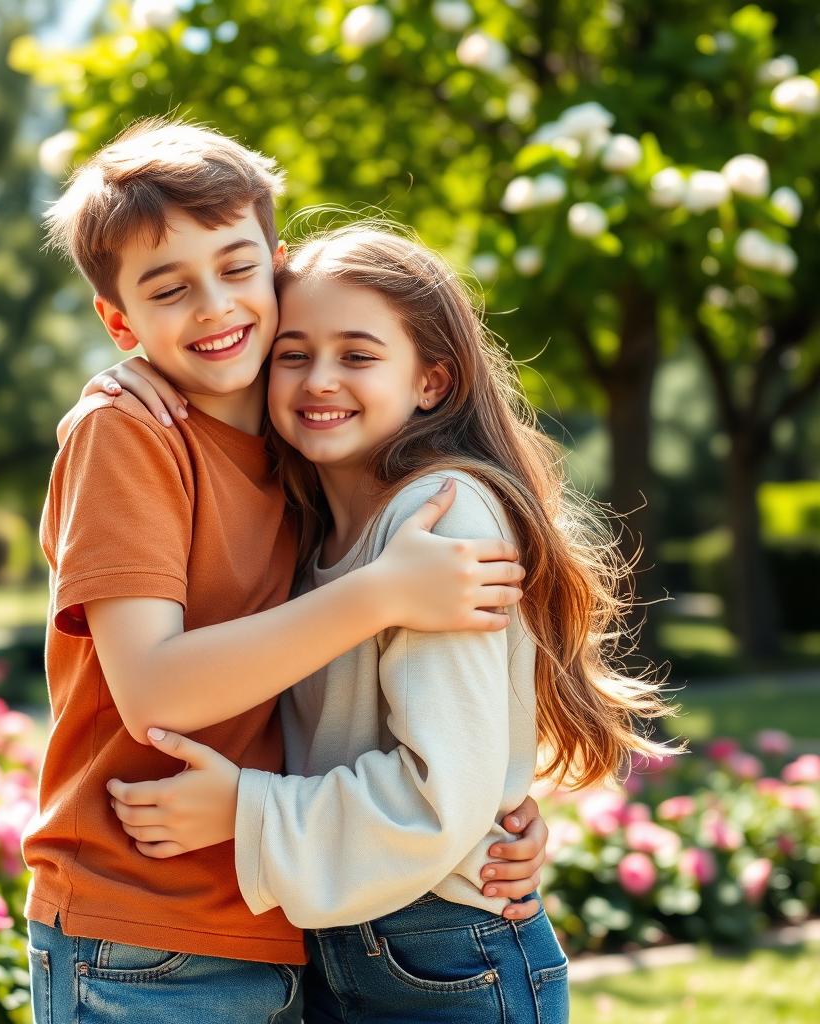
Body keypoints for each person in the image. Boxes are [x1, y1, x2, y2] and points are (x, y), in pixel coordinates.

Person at [25, 119, 548, 1024]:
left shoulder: (306, 457)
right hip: (142, 921)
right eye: (168, 289)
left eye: (236, 269)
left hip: (279, 921)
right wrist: (379, 592)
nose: (215, 307)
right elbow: (155, 690)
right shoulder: (131, 432)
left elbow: (427, 713)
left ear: (276, 263)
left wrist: (488, 810)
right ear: (121, 323)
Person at [105, 224, 676, 1022]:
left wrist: (247, 811)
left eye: (359, 355)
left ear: (432, 383)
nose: (319, 379)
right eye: (293, 354)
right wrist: (127, 380)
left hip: (442, 952)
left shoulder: (440, 519)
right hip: (351, 940)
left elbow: (438, 799)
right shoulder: (312, 527)